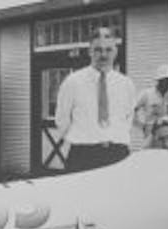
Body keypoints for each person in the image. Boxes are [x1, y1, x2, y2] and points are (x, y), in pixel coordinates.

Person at [55, 27, 136, 172]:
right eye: (98, 49)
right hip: (84, 156)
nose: (103, 55)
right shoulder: (73, 82)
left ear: (116, 52)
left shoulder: (126, 84)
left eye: (108, 50)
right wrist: (82, 138)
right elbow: (62, 120)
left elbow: (128, 118)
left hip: (117, 154)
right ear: (90, 51)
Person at [134, 64, 168, 147]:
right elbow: (132, 109)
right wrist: (141, 124)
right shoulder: (147, 94)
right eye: (166, 80)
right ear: (160, 80)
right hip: (150, 131)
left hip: (167, 132)